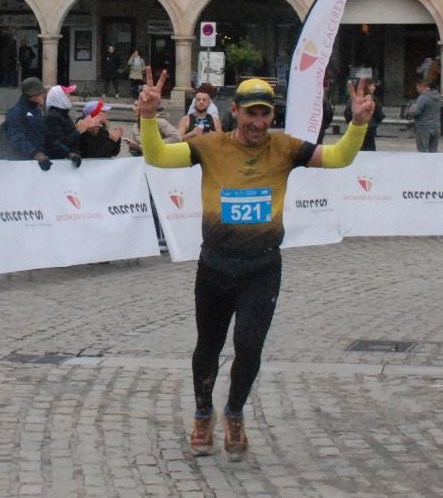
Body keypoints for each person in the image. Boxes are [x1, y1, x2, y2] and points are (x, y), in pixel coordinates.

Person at [136, 75, 376, 460]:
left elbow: (338, 158)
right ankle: (202, 413)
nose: (258, 123)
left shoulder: (284, 148)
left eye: (265, 115)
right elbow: (158, 157)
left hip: (261, 267)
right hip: (215, 266)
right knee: (208, 346)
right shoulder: (210, 145)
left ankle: (234, 413)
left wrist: (358, 125)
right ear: (234, 111)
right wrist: (148, 118)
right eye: (251, 114)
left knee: (249, 347)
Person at [42, 86, 84, 163]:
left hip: (71, 161)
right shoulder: (52, 117)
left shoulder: (64, 115)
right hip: (60, 163)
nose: (71, 99)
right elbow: (60, 143)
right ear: (60, 98)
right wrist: (79, 130)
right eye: (68, 96)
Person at [404, 77, 443, 152]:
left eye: (417, 87)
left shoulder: (423, 97)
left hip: (423, 127)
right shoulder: (438, 97)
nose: (417, 89)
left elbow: (417, 112)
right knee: (433, 151)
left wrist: (409, 111)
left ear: (422, 86)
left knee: (423, 151)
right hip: (436, 127)